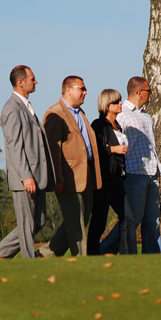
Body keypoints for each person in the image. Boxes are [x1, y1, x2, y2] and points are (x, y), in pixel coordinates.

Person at [0, 65, 55, 259]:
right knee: (26, 223)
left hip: (37, 175)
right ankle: (29, 260)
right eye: (32, 78)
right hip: (25, 177)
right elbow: (14, 146)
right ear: (20, 82)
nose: (36, 81)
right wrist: (26, 176)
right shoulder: (12, 109)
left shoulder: (25, 106)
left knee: (39, 220)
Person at [39, 76, 102, 257]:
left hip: (86, 175)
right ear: (68, 90)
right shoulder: (56, 113)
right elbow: (53, 150)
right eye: (81, 88)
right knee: (76, 222)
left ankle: (45, 254)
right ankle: (81, 259)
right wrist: (58, 178)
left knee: (80, 219)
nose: (85, 92)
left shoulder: (80, 113)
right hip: (68, 177)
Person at [115, 76, 161, 254]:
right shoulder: (121, 114)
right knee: (131, 220)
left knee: (153, 221)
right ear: (139, 92)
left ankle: (154, 259)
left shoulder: (146, 115)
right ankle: (103, 250)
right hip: (134, 174)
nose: (151, 94)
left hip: (151, 174)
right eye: (149, 91)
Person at [87, 89, 136, 255]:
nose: (120, 104)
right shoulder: (98, 125)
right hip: (103, 180)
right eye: (116, 102)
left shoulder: (118, 126)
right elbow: (94, 149)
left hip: (117, 180)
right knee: (99, 222)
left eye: (120, 100)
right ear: (106, 105)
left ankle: (129, 256)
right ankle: (92, 255)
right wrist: (113, 149)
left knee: (128, 217)